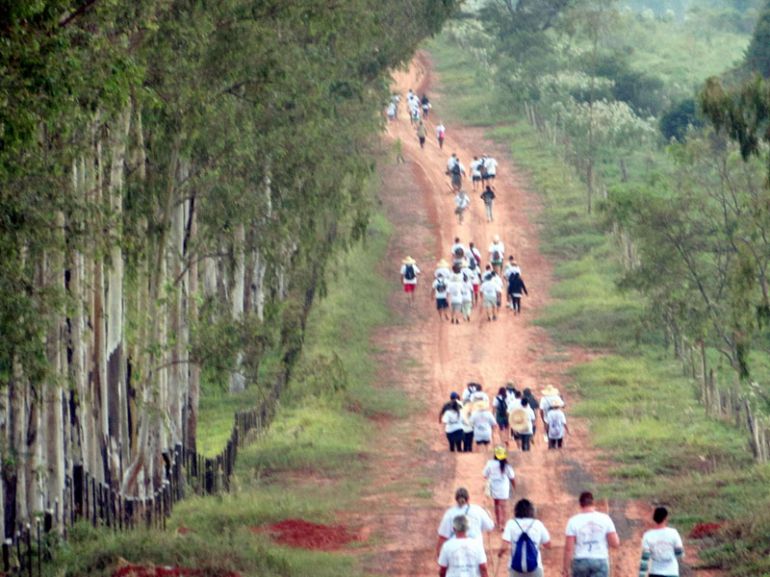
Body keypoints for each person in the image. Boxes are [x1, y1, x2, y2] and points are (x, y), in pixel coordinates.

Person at [563, 492, 620, 577]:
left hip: (580, 561)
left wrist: (565, 569)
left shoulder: (573, 521)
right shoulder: (605, 519)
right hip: (600, 559)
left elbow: (569, 549)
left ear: (580, 504)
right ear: (593, 503)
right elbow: (615, 543)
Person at [499, 499, 552, 577]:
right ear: (532, 511)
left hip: (516, 568)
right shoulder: (538, 524)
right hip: (535, 567)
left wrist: (500, 553)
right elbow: (548, 545)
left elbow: (504, 547)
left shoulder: (511, 523)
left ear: (516, 511)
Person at [437, 487, 495, 556]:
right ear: (468, 499)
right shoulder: (478, 510)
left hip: (456, 550)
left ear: (456, 499)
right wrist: (489, 516)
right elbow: (490, 526)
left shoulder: (449, 513)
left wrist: (439, 552)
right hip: (476, 549)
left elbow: (443, 536)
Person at [639, 507, 685, 577]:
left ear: (654, 518)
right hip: (671, 572)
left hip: (655, 572)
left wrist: (641, 575)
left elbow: (645, 559)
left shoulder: (648, 535)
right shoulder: (673, 533)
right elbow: (679, 553)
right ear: (665, 518)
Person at [483, 446, 516, 529]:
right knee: (503, 506)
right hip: (504, 488)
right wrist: (514, 487)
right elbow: (512, 477)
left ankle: (498, 523)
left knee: (497, 505)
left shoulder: (490, 463)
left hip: (494, 486)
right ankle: (503, 524)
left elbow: (485, 475)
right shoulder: (507, 466)